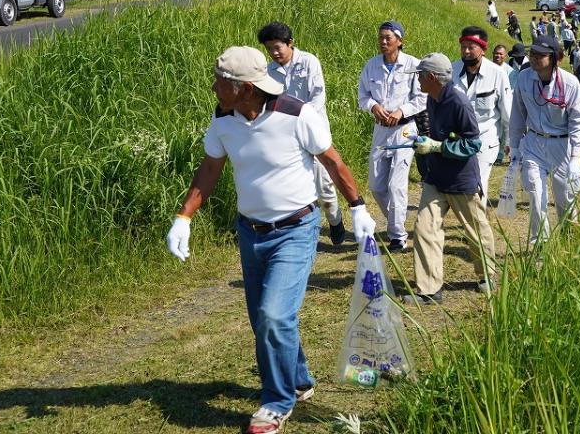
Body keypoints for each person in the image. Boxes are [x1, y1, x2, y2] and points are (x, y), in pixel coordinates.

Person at [166, 46, 373, 434]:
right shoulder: (223, 118)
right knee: (265, 317)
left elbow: (332, 160)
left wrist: (357, 206)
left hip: (296, 228)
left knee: (274, 316)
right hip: (250, 231)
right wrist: (184, 217)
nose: (213, 88)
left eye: (221, 83)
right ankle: (298, 380)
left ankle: (276, 403)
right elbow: (211, 167)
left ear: (245, 88)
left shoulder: (297, 114)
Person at [404, 53, 496, 304]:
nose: (418, 82)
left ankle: (486, 276)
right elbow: (437, 134)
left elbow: (472, 143)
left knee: (474, 230)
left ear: (432, 77)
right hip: (436, 177)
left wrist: (437, 147)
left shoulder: (459, 102)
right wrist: (425, 143)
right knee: (424, 228)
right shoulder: (431, 99)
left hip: (460, 179)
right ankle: (429, 290)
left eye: (420, 77)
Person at [258, 21, 345, 246]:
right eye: (269, 49)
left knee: (324, 184)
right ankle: (302, 229)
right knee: (294, 184)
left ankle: (335, 221)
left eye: (278, 47)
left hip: (314, 132)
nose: (274, 53)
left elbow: (318, 96)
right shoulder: (269, 71)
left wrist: (302, 120)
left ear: (290, 43)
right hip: (286, 138)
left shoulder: (309, 62)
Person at [509, 35, 580, 245]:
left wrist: (576, 157)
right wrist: (515, 146)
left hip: (562, 146)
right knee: (535, 195)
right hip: (534, 144)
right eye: (532, 54)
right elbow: (517, 113)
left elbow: (578, 121)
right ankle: (539, 245)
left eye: (540, 55)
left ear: (554, 58)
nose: (534, 58)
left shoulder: (569, 84)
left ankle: (570, 240)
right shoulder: (524, 79)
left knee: (565, 199)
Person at [357, 21, 427, 253]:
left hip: (404, 131)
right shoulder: (371, 66)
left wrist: (401, 111)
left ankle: (397, 236)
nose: (383, 41)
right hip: (380, 130)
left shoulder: (413, 65)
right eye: (381, 37)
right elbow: (363, 96)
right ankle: (396, 221)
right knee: (377, 185)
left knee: (397, 185)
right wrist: (373, 106)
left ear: (400, 40)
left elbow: (422, 98)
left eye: (388, 37)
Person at [451, 26, 512, 194]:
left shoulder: (497, 74)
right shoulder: (452, 70)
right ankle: (475, 218)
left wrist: (509, 143)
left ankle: (477, 220)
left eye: (471, 47)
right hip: (457, 139)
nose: (466, 51)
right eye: (463, 47)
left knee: (477, 184)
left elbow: (507, 113)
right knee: (459, 185)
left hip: (485, 140)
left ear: (483, 49)